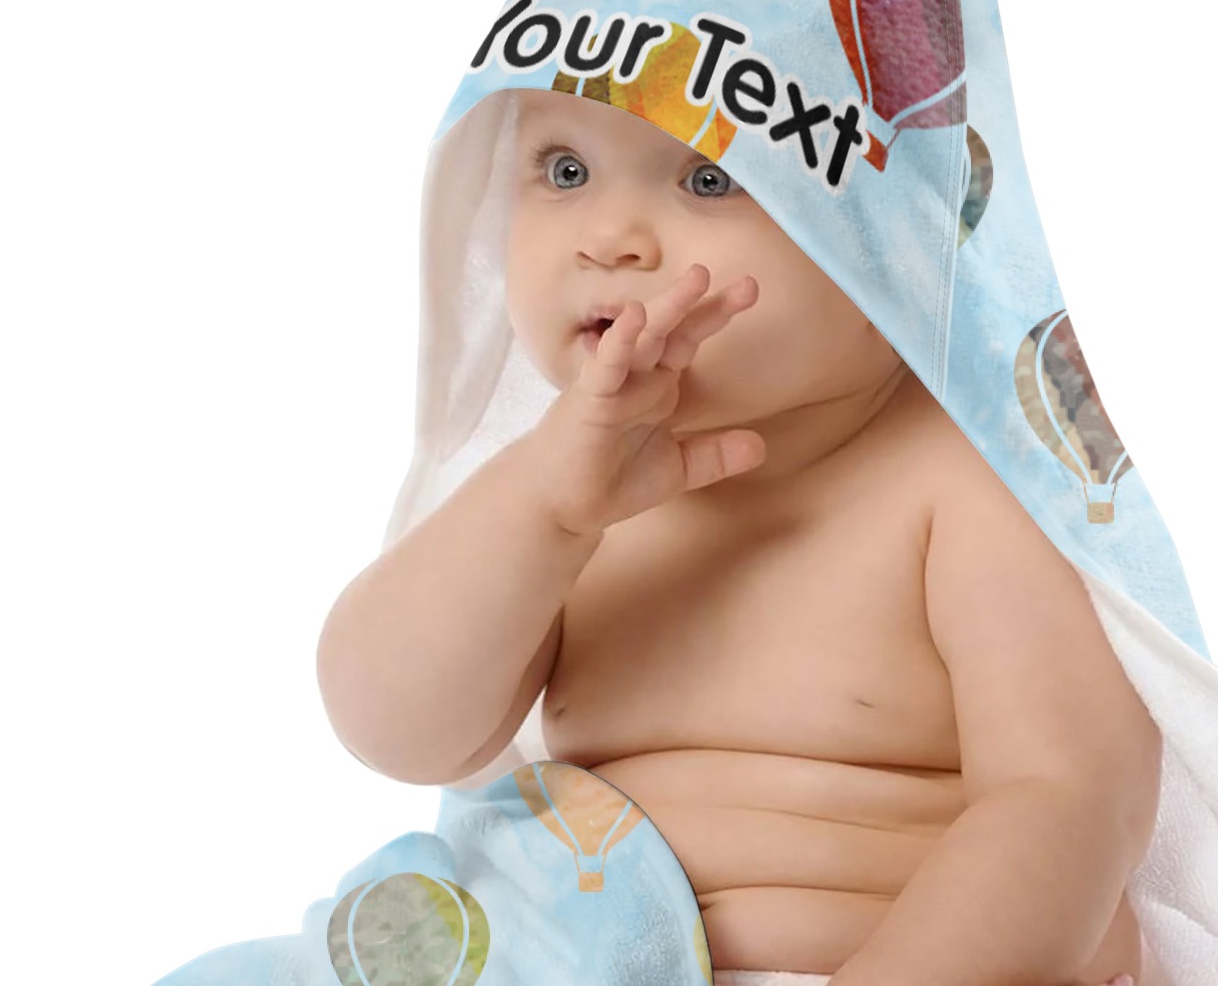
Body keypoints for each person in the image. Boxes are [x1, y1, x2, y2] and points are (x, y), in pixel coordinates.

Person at [316, 85, 1155, 986]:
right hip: (564, 952)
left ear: (898, 232)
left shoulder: (966, 482)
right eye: (566, 170)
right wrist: (542, 510)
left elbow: (1069, 800)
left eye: (710, 178)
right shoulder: (563, 496)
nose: (610, 238)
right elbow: (395, 731)